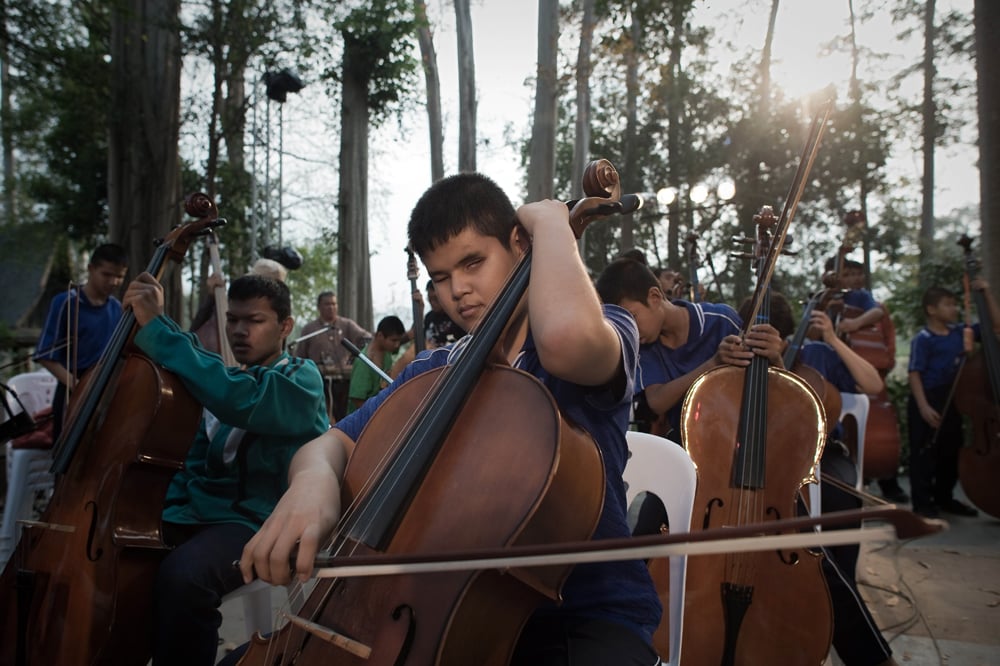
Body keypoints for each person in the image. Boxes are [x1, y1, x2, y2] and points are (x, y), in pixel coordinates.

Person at [238, 173, 663, 665]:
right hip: (435, 611)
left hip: (582, 619)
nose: (457, 289)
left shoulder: (605, 328)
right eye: (440, 276)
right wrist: (310, 486)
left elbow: (566, 339)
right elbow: (329, 444)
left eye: (472, 262)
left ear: (518, 246)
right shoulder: (432, 372)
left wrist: (552, 228)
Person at [122, 272, 328, 665]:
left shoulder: (301, 379)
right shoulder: (223, 381)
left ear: (284, 327)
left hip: (265, 520)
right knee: (130, 557)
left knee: (185, 577)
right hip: (206, 515)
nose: (239, 330)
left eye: (254, 321)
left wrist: (162, 332)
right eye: (233, 319)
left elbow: (243, 400)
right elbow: (192, 463)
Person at [757, 293, 899, 666]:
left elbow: (874, 385)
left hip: (824, 456)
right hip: (768, 461)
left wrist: (834, 339)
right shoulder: (745, 356)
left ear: (787, 337)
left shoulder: (818, 354)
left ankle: (837, 599)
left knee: (833, 527)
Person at [594, 257, 780, 443]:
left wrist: (775, 356)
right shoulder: (642, 345)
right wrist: (713, 363)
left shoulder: (721, 319)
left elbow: (771, 385)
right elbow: (657, 402)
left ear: (655, 297)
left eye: (632, 317)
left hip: (741, 435)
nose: (630, 330)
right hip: (689, 442)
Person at [907, 281, 1000, 518]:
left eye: (955, 304)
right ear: (931, 310)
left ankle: (944, 498)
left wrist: (986, 293)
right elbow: (915, 373)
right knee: (924, 453)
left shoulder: (962, 333)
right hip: (928, 398)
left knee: (951, 450)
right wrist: (924, 407)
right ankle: (922, 503)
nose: (954, 309)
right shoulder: (924, 338)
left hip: (956, 397)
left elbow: (995, 325)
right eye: (948, 304)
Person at [34, 243, 129, 440]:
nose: (113, 281)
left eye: (119, 277)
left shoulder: (117, 307)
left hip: (105, 390)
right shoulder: (65, 302)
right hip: (72, 390)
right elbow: (45, 355)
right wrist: (78, 386)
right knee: (67, 453)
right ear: (91, 269)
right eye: (107, 274)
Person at [293, 291, 371, 422]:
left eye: (334, 304)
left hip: (345, 382)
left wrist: (354, 359)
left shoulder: (346, 325)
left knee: (347, 419)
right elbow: (300, 357)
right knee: (326, 419)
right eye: (327, 304)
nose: (331, 307)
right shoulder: (310, 329)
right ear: (319, 307)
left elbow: (367, 339)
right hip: (320, 383)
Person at [346, 315, 406, 414]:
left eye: (399, 341)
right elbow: (357, 400)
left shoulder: (387, 353)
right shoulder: (364, 363)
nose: (397, 345)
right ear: (380, 336)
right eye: (394, 340)